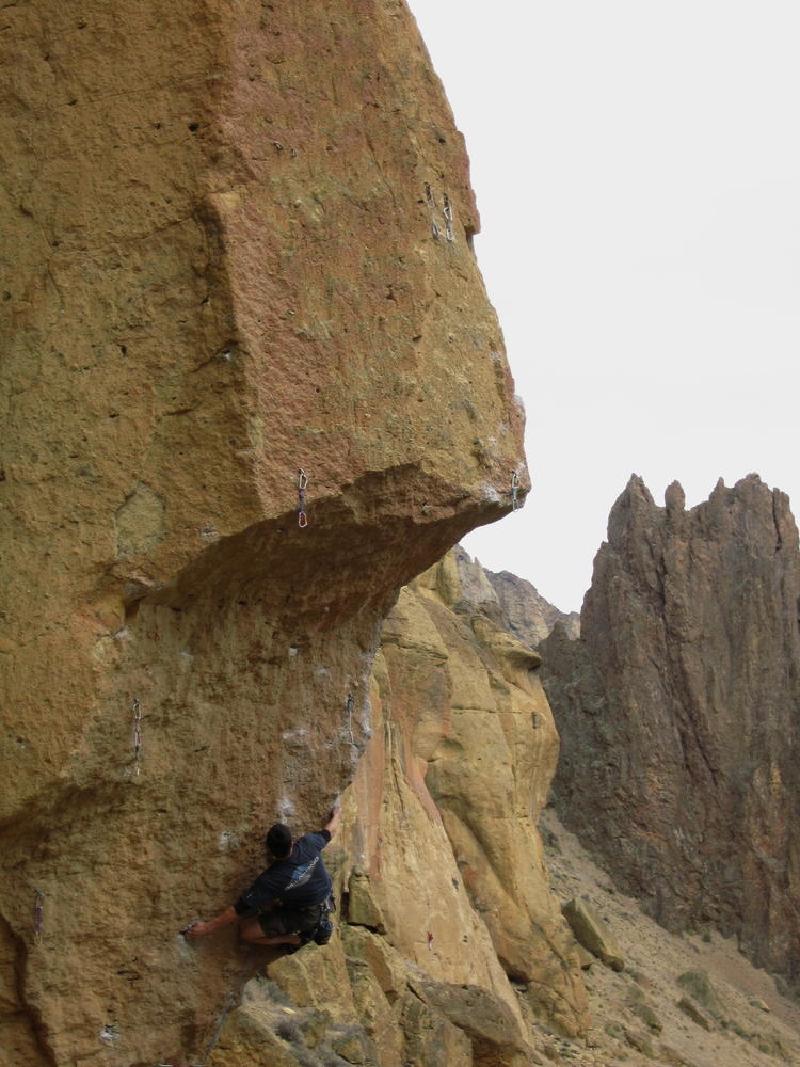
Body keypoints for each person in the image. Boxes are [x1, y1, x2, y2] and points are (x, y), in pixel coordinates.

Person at [185, 805, 341, 947]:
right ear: (292, 842)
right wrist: (336, 814)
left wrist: (207, 928)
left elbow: (238, 910)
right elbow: (329, 831)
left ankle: (294, 939)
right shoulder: (309, 843)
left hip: (307, 914)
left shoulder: (272, 879)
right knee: (272, 902)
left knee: (246, 932)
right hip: (324, 892)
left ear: (270, 851)